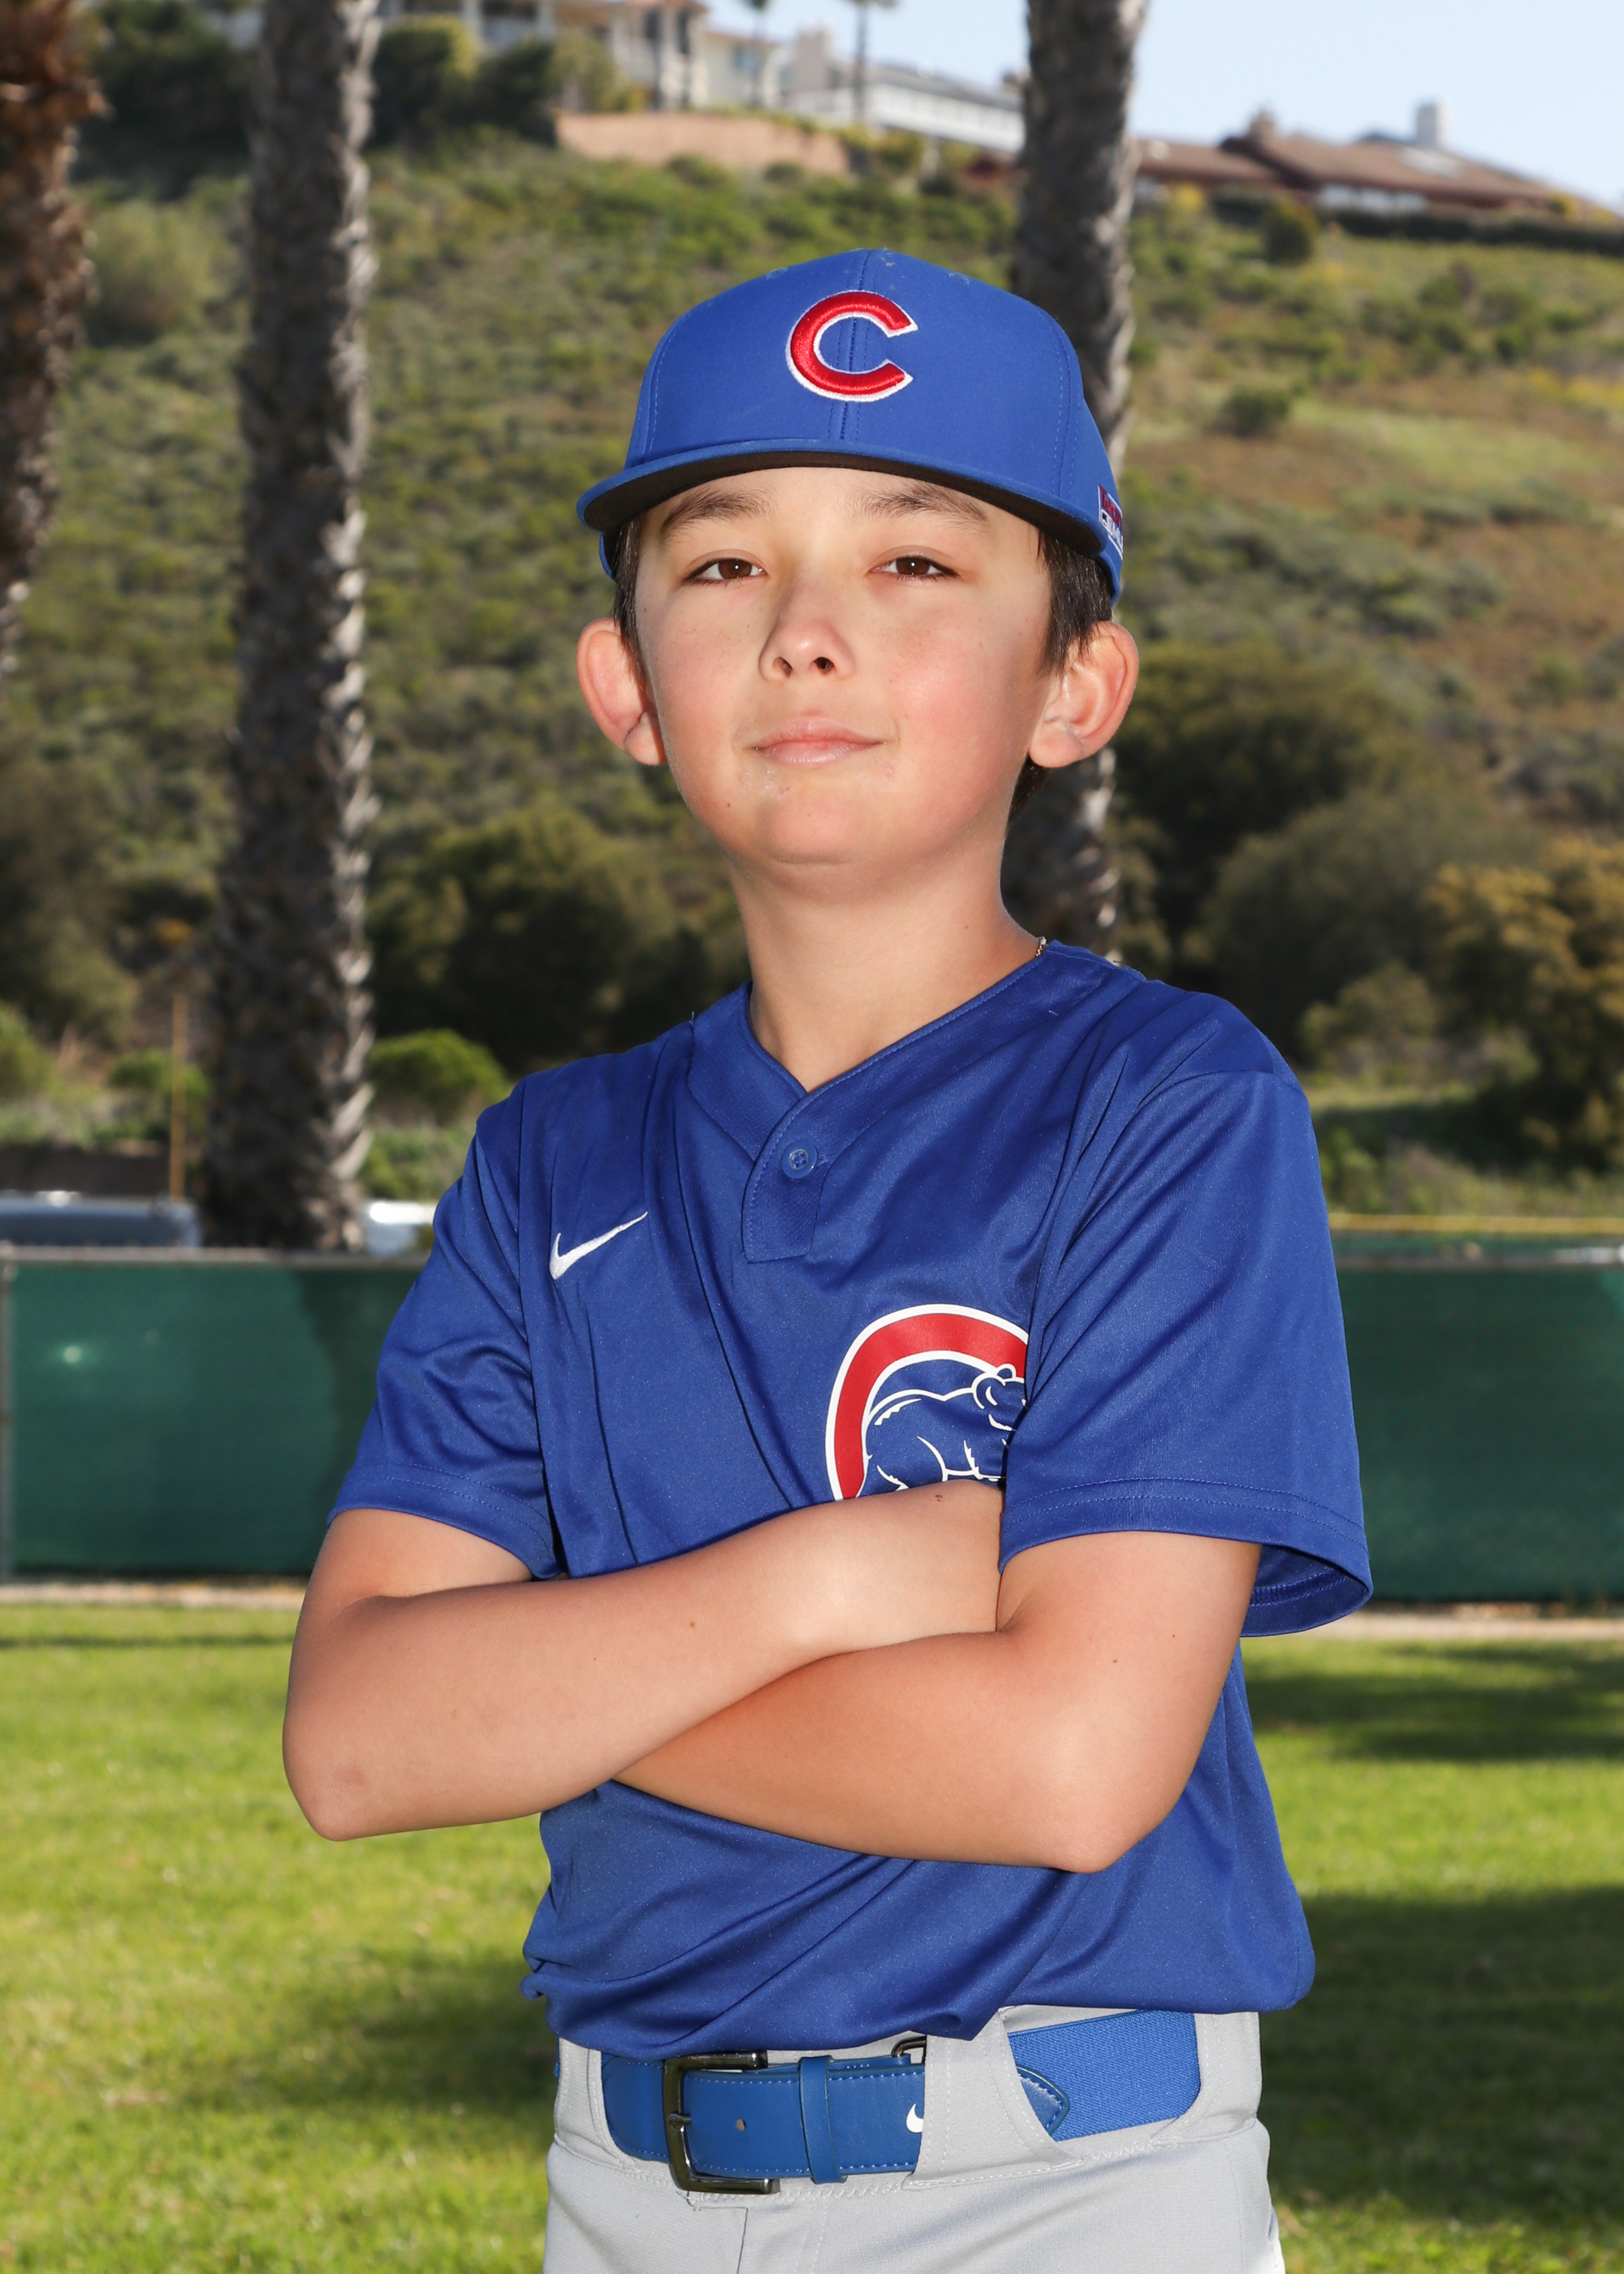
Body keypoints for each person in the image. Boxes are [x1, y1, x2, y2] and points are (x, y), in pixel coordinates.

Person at [283, 248, 1370, 2272]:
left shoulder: (1169, 1099)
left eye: (915, 561)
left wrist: (549, 1679)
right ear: (626, 685)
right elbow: (352, 1743)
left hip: (1062, 2180)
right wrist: (831, 1580)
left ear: (1073, 684)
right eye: (723, 564)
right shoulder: (547, 1160)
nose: (805, 631)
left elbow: (1068, 1762)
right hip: (626, 2184)